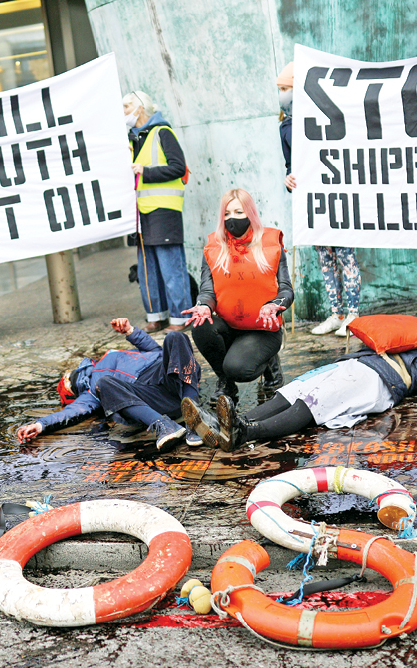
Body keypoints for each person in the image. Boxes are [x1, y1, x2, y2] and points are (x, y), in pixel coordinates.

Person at [184, 315, 417, 451]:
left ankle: (244, 433)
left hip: (379, 379)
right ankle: (226, 424)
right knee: (293, 391)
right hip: (354, 364)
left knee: (313, 403)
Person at [15, 318, 203, 452]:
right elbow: (71, 412)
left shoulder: (111, 357)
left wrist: (130, 331)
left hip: (169, 377)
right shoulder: (92, 391)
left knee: (176, 338)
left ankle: (194, 419)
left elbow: (155, 351)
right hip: (148, 394)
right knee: (104, 383)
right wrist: (40, 425)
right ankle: (165, 426)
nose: (65, 376)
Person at [183, 189, 292, 408]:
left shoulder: (270, 243)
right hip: (230, 325)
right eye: (227, 213)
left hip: (263, 329)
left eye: (239, 212)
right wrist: (203, 306)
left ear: (250, 213)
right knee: (201, 325)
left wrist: (274, 305)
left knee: (239, 369)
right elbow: (207, 291)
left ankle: (270, 362)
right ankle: (226, 383)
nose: (232, 218)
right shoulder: (213, 247)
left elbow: (286, 290)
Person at [279, 62, 362, 337]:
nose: (282, 94)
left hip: (337, 199)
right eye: (280, 89)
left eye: (286, 88)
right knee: (326, 259)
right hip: (313, 205)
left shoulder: (327, 119)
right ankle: (337, 314)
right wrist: (289, 180)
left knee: (346, 257)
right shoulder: (285, 127)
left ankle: (353, 315)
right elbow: (291, 166)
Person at [125, 91, 189, 332]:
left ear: (140, 108)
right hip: (140, 213)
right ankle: (155, 316)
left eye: (126, 106)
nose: (123, 111)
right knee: (146, 269)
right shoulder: (131, 139)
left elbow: (179, 168)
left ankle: (180, 318)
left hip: (164, 210)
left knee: (171, 268)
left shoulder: (163, 132)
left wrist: (146, 171)